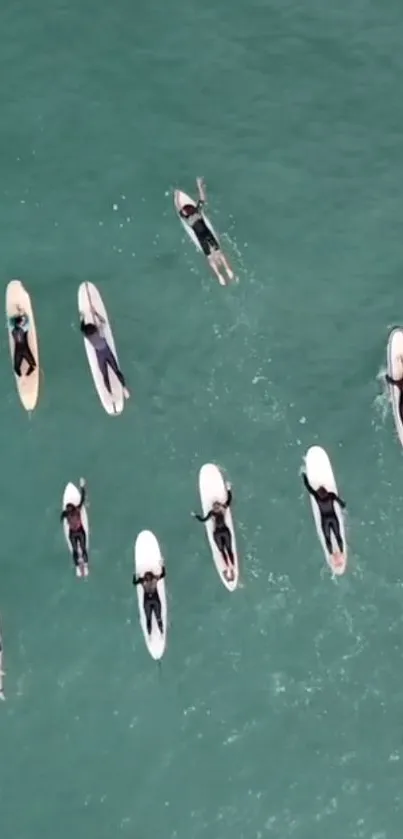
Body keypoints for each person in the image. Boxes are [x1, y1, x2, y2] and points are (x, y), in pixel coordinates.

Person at [179, 177, 234, 285]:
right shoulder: (198, 213)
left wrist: (177, 201)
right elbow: (203, 199)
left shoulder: (188, 220)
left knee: (210, 258)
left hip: (201, 239)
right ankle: (228, 269)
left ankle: (219, 276)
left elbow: (181, 214)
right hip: (208, 234)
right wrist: (200, 186)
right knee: (219, 253)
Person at [79, 311, 130, 400]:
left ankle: (110, 394)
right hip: (106, 351)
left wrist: (82, 318)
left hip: (99, 355)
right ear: (95, 329)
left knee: (105, 375)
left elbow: (82, 327)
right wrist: (95, 314)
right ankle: (124, 388)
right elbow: (103, 322)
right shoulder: (99, 331)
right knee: (116, 370)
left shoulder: (86, 335)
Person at [192, 482, 235, 580]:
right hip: (224, 531)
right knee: (228, 550)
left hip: (218, 533)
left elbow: (203, 520)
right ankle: (231, 567)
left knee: (223, 551)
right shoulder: (222, 509)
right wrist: (228, 489)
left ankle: (229, 568)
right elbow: (229, 500)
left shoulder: (212, 513)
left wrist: (196, 516)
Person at [302, 472, 346, 558]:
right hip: (333, 518)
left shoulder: (317, 497)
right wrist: (343, 505)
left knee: (328, 539)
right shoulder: (331, 495)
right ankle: (342, 553)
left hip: (325, 520)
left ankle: (332, 555)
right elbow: (342, 504)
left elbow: (308, 488)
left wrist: (304, 477)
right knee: (338, 536)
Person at [60, 478, 89, 577]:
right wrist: (82, 487)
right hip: (76, 532)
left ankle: (83, 565)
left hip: (77, 532)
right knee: (77, 550)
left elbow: (83, 499)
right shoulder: (72, 511)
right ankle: (80, 565)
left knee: (80, 549)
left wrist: (82, 487)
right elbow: (82, 499)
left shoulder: (72, 511)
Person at [133, 568, 166, 636]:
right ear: (152, 575)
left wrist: (134, 575)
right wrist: (162, 566)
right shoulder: (155, 579)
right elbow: (163, 574)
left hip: (147, 602)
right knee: (158, 617)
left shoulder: (142, 580)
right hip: (155, 600)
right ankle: (161, 632)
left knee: (148, 619)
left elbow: (134, 583)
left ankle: (149, 634)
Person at [8, 306, 37, 378]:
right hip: (25, 350)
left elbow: (10, 321)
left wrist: (16, 316)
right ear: (20, 323)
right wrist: (22, 312)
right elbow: (27, 319)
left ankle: (21, 376)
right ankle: (27, 375)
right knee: (33, 366)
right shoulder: (24, 329)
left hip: (18, 351)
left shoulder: (12, 330)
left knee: (16, 368)